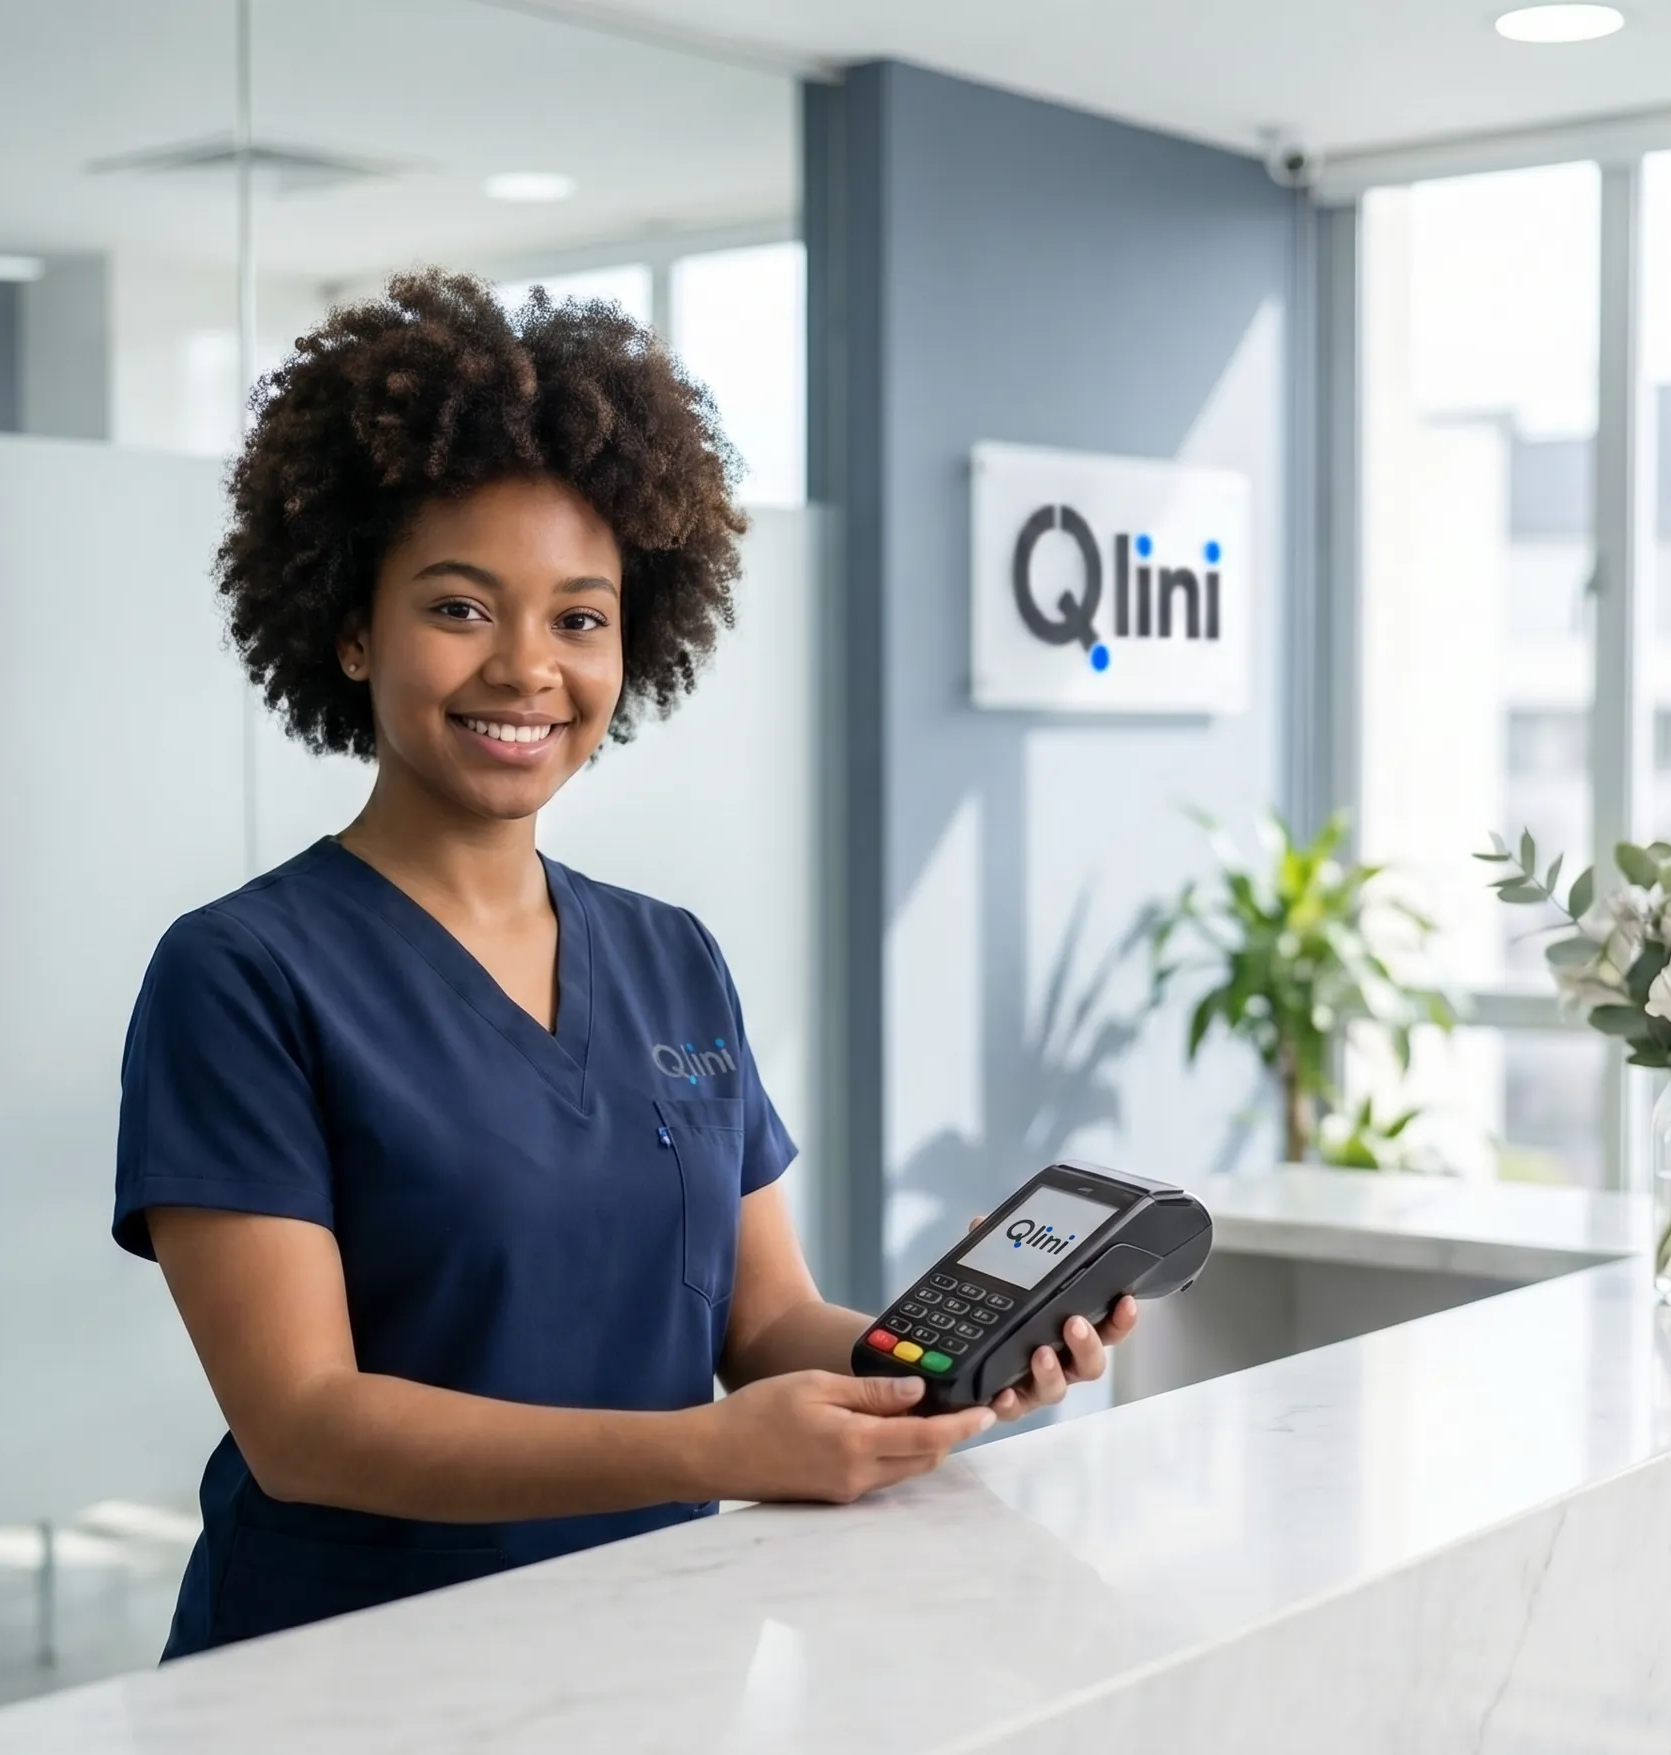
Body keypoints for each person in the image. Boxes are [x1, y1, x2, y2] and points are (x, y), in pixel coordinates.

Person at [112, 269, 1139, 1658]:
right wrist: (706, 1451)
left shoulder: (669, 956)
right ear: (353, 628)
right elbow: (305, 1426)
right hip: (340, 1679)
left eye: (580, 618)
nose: (528, 667)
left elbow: (765, 1318)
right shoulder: (241, 977)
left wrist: (944, 1372)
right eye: (461, 608)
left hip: (654, 1661)